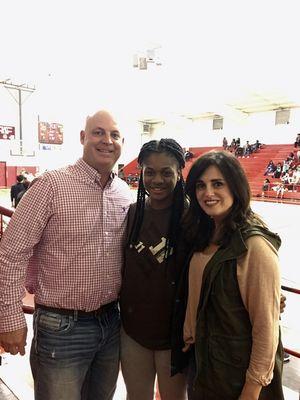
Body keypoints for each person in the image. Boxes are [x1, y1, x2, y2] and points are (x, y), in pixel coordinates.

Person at [0, 109, 133, 400]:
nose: (106, 141)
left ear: (123, 142)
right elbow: (10, 253)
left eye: (114, 135)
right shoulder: (51, 185)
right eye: (98, 132)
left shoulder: (124, 193)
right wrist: (9, 318)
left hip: (111, 324)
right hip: (61, 329)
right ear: (83, 137)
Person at [178, 150, 284, 399]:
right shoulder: (204, 231)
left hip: (237, 377)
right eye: (201, 186)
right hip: (205, 364)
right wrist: (188, 335)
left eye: (218, 184)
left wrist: (252, 389)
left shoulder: (254, 245)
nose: (208, 193)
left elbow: (266, 329)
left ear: (235, 187)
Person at [120, 138, 188, 400]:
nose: (156, 179)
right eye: (150, 171)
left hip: (175, 336)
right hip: (133, 331)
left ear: (179, 172)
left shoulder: (192, 217)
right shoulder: (133, 213)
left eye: (166, 172)